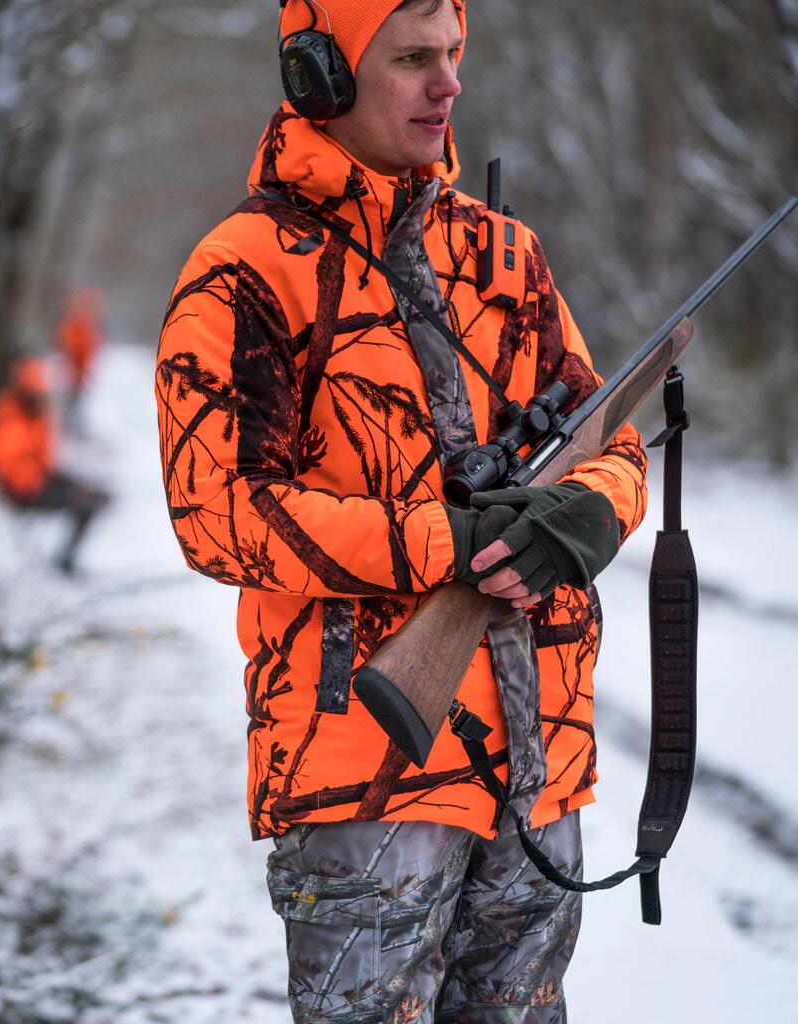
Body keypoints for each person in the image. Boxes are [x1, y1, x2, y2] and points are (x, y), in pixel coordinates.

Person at [155, 1, 646, 1020]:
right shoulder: (246, 270)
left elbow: (617, 436)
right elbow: (216, 510)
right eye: (413, 58)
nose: (448, 83)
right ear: (320, 76)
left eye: (454, 55)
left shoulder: (507, 256)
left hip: (539, 769)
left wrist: (591, 515)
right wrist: (448, 541)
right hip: (362, 773)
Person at [0, 356, 110, 574]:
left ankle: (65, 559)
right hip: (28, 491)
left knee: (96, 495)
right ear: (25, 392)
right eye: (37, 393)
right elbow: (1, 463)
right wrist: (32, 484)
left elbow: (43, 457)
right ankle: (64, 562)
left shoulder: (36, 417)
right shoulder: (12, 419)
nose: (42, 397)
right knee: (86, 504)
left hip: (43, 479)